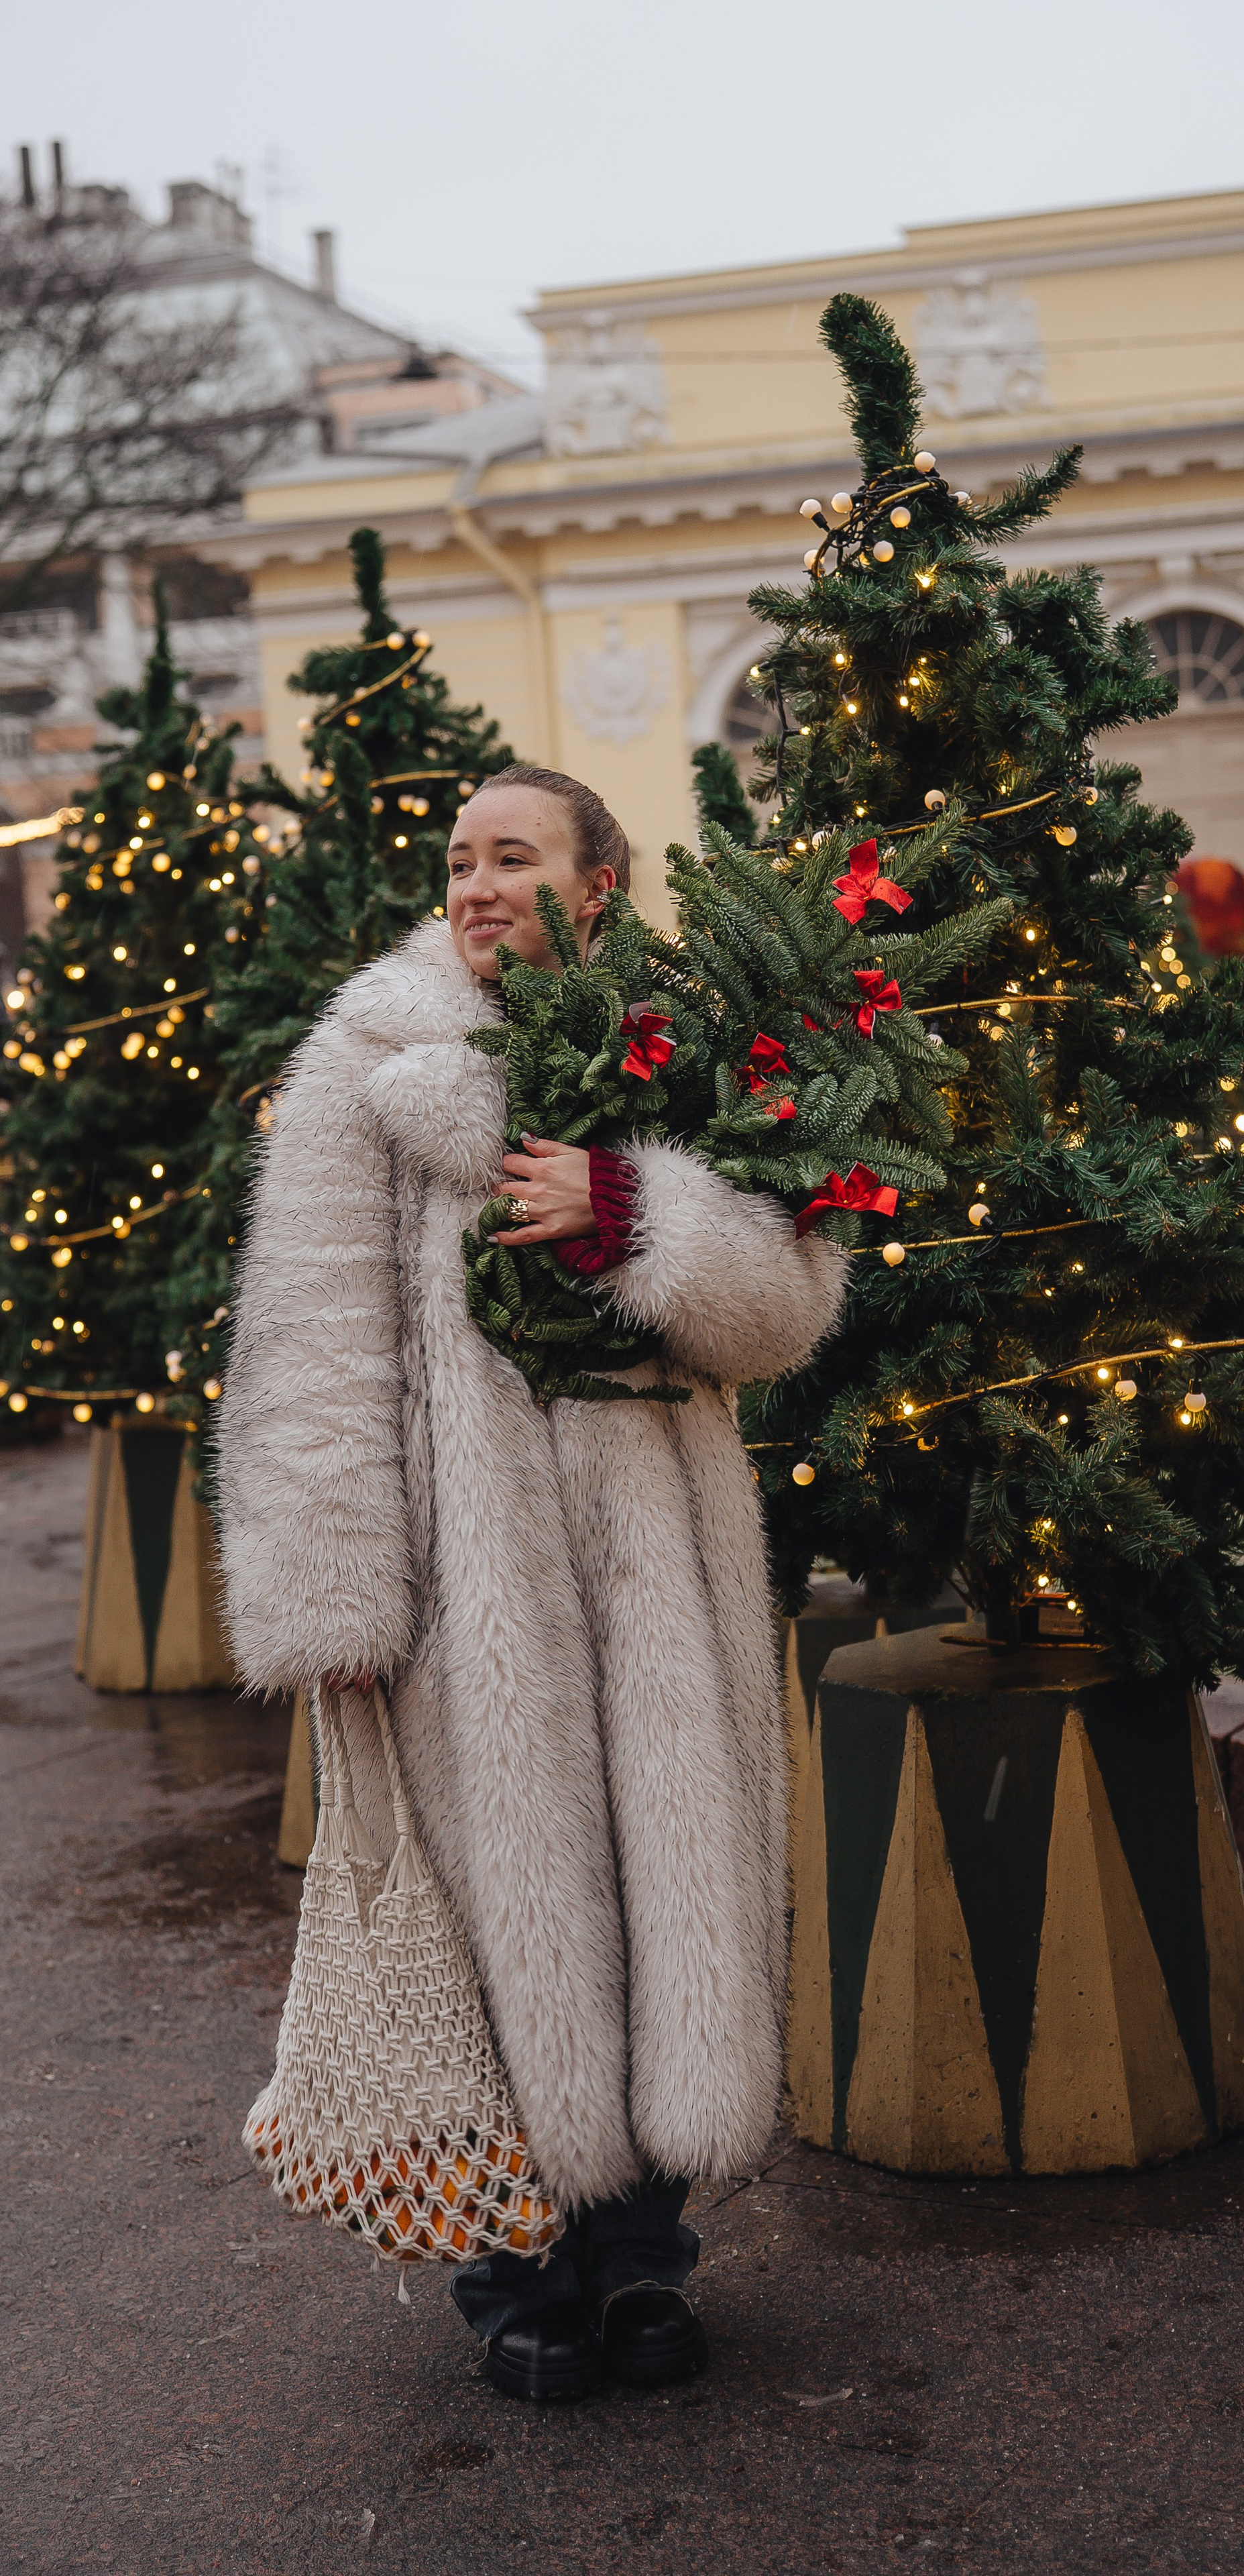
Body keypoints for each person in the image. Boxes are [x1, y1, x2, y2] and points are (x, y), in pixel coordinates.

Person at [218, 764, 846, 2402]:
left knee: (663, 1895)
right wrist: (332, 1599)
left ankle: (643, 2264)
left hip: (661, 1568)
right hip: (458, 1588)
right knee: (504, 1918)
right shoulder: (370, 1058)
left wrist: (626, 1206)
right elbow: (308, 1350)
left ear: (596, 881)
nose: (476, 884)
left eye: (513, 856)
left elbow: (780, 1313)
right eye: (456, 861)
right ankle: (514, 2272)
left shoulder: (689, 1060)